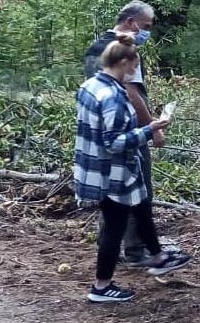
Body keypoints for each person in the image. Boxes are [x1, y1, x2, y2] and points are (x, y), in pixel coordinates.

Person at [74, 34, 192, 303]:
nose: (134, 72)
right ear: (124, 62)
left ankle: (159, 257)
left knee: (141, 207)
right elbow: (113, 142)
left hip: (97, 167)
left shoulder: (89, 86)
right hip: (112, 173)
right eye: (133, 66)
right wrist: (148, 131)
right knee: (114, 229)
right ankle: (101, 287)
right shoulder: (112, 97)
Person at [83, 1, 160, 265]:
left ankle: (110, 250)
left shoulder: (95, 47)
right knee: (138, 191)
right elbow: (132, 91)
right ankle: (137, 252)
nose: (147, 32)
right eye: (146, 26)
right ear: (131, 22)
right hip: (127, 133)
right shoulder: (124, 50)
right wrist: (152, 128)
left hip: (100, 136)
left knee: (111, 195)